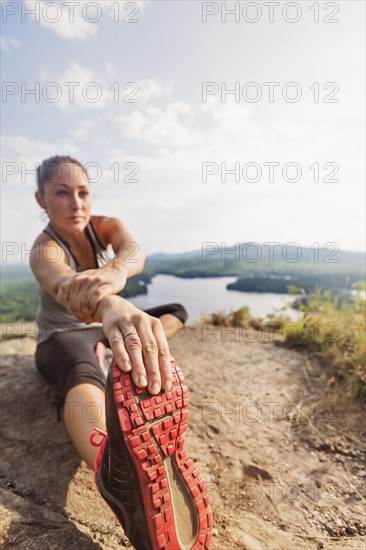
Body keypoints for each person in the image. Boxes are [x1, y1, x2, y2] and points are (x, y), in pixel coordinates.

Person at [30, 156, 213, 550]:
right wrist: (112, 305)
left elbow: (133, 251)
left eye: (83, 192)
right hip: (61, 336)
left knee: (174, 312)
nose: (76, 203)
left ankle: (121, 353)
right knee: (82, 370)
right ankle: (108, 464)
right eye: (62, 193)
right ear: (41, 200)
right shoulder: (44, 250)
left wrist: (115, 273)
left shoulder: (103, 226)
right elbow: (65, 287)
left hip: (100, 328)